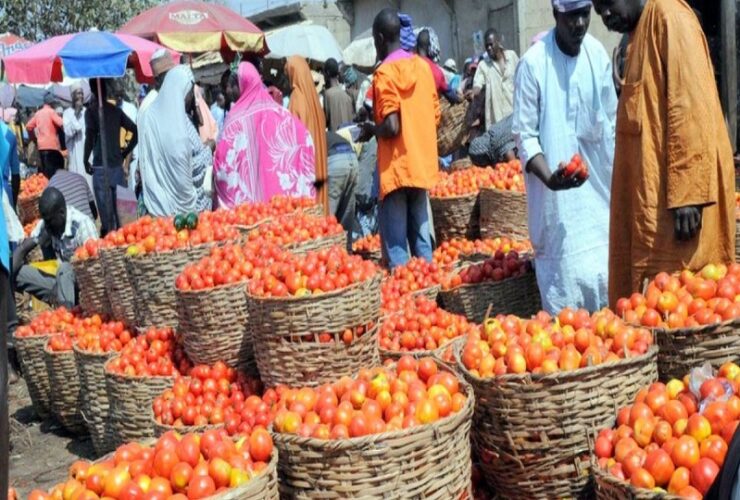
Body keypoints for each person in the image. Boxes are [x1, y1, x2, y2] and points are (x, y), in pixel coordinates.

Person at [591, 0, 736, 306]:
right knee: (649, 308)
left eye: (607, 3)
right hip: (651, 207)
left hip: (681, 211)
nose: (604, 14)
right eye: (597, 8)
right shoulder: (636, 35)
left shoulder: (670, 18)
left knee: (687, 302)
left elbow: (690, 103)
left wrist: (689, 193)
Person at [512, 0, 617, 314]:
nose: (580, 24)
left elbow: (610, 122)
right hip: (556, 214)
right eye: (572, 17)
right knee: (566, 323)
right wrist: (550, 179)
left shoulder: (597, 54)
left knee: (611, 315)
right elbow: (525, 135)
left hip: (600, 210)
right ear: (556, 14)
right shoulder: (533, 65)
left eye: (585, 15)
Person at [358, 8, 440, 269]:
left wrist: (372, 129)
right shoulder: (423, 69)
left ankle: (407, 303)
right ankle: (429, 300)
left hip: (395, 171)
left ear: (381, 38)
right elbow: (435, 115)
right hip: (420, 166)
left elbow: (392, 126)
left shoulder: (384, 75)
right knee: (422, 243)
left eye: (374, 41)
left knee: (397, 250)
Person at [213, 63, 316, 208]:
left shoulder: (234, 121)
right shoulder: (283, 113)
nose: (229, 91)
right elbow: (305, 140)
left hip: (251, 218)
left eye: (232, 85)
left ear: (241, 84)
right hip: (287, 215)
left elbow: (223, 166)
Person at [139, 65, 213, 217]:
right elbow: (184, 164)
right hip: (183, 210)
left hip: (159, 207)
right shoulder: (175, 122)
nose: (191, 97)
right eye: (190, 92)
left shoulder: (155, 114)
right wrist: (209, 149)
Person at [12, 188, 98, 308]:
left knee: (65, 269)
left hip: (83, 284)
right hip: (58, 281)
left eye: (49, 221)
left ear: (61, 213)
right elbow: (22, 249)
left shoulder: (82, 224)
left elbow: (95, 269)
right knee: (19, 273)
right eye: (44, 220)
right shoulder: (47, 224)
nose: (46, 224)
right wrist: (39, 240)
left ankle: (66, 318)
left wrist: (63, 281)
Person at [84, 79, 137, 236]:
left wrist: (85, 158)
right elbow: (135, 131)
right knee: (123, 216)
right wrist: (123, 152)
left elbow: (89, 137)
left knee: (108, 221)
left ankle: (113, 244)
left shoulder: (91, 112)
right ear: (106, 91)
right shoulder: (115, 112)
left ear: (93, 90)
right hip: (116, 168)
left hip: (101, 169)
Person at [286, 56, 329, 214]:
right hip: (319, 162)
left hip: (306, 167)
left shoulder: (296, 98)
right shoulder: (314, 99)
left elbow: (290, 139)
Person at [472, 29, 519, 129]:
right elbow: (477, 84)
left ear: (498, 42)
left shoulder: (512, 57)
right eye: (486, 46)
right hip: (496, 123)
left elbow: (522, 79)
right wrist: (474, 92)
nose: (489, 48)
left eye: (491, 44)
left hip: (515, 118)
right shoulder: (483, 65)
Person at [327, 130, 359, 246]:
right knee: (347, 213)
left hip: (334, 161)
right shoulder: (330, 135)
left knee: (327, 220)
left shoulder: (309, 138)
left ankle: (328, 252)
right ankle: (347, 252)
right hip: (352, 158)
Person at [26, 93, 64, 177]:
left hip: (41, 147)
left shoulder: (38, 113)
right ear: (51, 103)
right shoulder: (51, 112)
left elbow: (28, 126)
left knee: (45, 172)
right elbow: (62, 123)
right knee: (52, 173)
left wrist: (33, 137)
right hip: (52, 147)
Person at [62, 84, 91, 192]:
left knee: (89, 186)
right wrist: (76, 113)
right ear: (73, 96)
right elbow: (69, 132)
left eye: (82, 93)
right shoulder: (67, 113)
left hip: (88, 155)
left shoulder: (87, 111)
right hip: (75, 156)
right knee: (77, 187)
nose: (81, 96)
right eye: (78, 93)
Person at [323, 58, 355, 132]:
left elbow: (325, 121)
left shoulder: (327, 95)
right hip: (348, 138)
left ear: (327, 73)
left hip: (336, 138)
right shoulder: (346, 95)